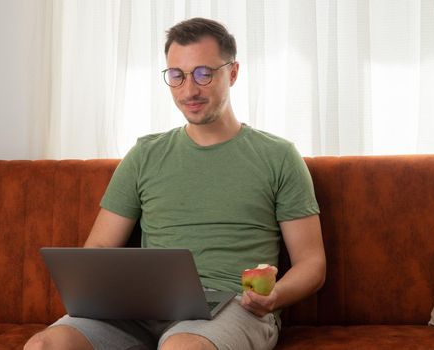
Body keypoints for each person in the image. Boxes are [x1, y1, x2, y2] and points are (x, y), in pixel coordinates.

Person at [25, 17, 326, 350]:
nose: (189, 90)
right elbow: (98, 249)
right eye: (177, 76)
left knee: (182, 347)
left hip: (232, 309)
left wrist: (274, 297)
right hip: (139, 310)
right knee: (45, 345)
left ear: (233, 72)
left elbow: (312, 263)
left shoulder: (278, 156)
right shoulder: (145, 154)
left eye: (203, 73)